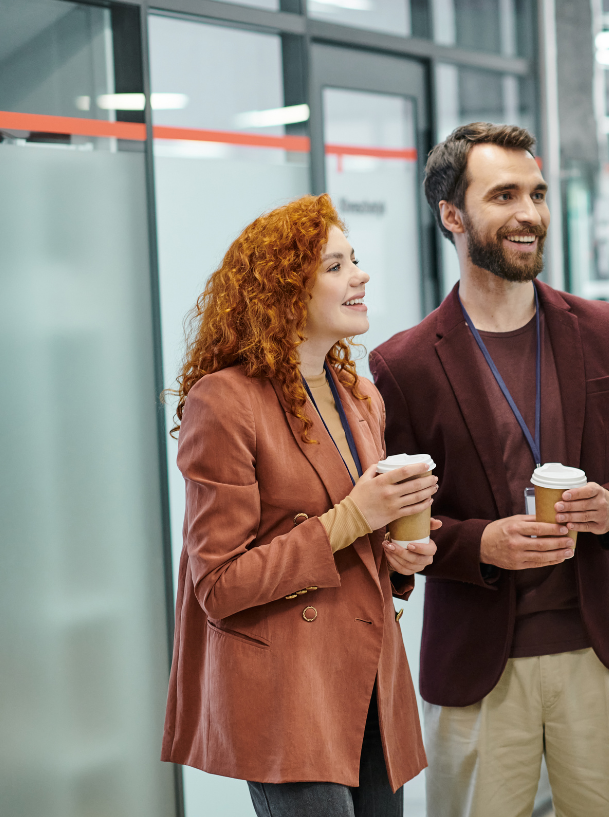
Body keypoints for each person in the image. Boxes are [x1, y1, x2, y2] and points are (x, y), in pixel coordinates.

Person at [369, 122, 609, 817]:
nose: (530, 213)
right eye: (504, 194)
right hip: (482, 666)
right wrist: (481, 542)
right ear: (453, 215)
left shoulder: (605, 330)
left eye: (536, 193)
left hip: (602, 654)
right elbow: (398, 526)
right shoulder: (405, 364)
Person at [161, 194, 437, 816]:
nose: (360, 275)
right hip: (288, 692)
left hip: (369, 680)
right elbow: (219, 583)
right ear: (285, 291)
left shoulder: (360, 396)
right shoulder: (224, 402)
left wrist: (402, 555)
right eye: (336, 266)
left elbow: (365, 549)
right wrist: (351, 519)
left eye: (356, 260)